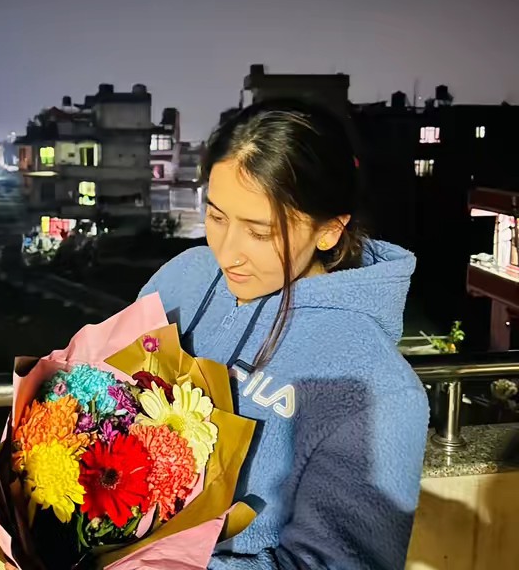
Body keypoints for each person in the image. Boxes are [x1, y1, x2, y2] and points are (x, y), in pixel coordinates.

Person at [138, 100, 429, 570]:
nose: (227, 253)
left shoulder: (374, 388)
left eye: (260, 232)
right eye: (216, 216)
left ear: (328, 231)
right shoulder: (181, 279)